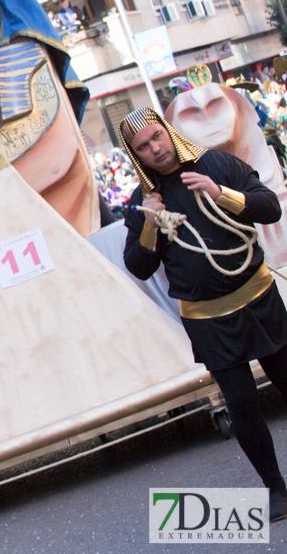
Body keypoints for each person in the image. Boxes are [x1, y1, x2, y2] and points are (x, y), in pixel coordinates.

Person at [119, 107, 287, 521]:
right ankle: (275, 489)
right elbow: (138, 266)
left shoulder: (216, 164)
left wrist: (219, 193)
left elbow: (270, 209)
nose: (155, 148)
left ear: (167, 132)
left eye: (157, 137)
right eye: (143, 146)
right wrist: (152, 223)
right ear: (135, 155)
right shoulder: (143, 202)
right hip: (208, 318)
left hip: (259, 296)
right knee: (243, 406)